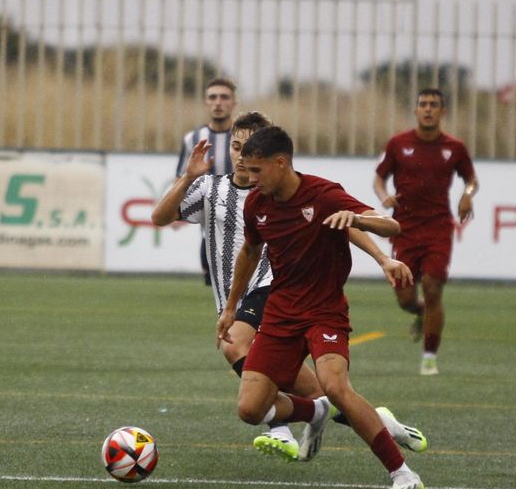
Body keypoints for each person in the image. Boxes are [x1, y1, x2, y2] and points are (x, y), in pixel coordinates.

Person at [152, 112, 426, 462]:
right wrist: (187, 177)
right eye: (235, 147)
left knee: (234, 345)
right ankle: (371, 420)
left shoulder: (283, 189)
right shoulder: (211, 187)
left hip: (275, 287)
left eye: (247, 149)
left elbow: (340, 221)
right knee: (312, 389)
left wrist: (381, 258)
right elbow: (160, 218)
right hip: (235, 295)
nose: (239, 155)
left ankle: (280, 429)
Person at [219, 126, 430, 489]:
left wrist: (362, 225)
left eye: (256, 171)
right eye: (247, 171)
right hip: (281, 311)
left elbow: (391, 224)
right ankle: (317, 413)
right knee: (251, 410)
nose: (249, 179)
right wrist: (231, 307)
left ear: (280, 164)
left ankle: (402, 473)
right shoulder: (257, 204)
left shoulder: (323, 194)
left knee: (334, 386)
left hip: (324, 310)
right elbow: (250, 253)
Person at [373, 88, 477, 376]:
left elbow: (471, 180)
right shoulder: (398, 143)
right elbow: (379, 177)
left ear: (442, 112)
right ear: (416, 110)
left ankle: (429, 356)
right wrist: (383, 196)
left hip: (438, 228)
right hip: (404, 228)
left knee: (432, 288)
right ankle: (421, 313)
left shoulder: (454, 147)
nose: (428, 109)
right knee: (406, 299)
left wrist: (467, 194)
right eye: (423, 104)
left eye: (434, 105)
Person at [177, 78, 239, 284]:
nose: (218, 102)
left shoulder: (245, 136)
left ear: (233, 102)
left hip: (242, 209)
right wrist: (176, 208)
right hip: (210, 213)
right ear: (206, 102)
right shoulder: (194, 138)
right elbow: (181, 177)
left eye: (224, 97)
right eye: (213, 97)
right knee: (213, 265)